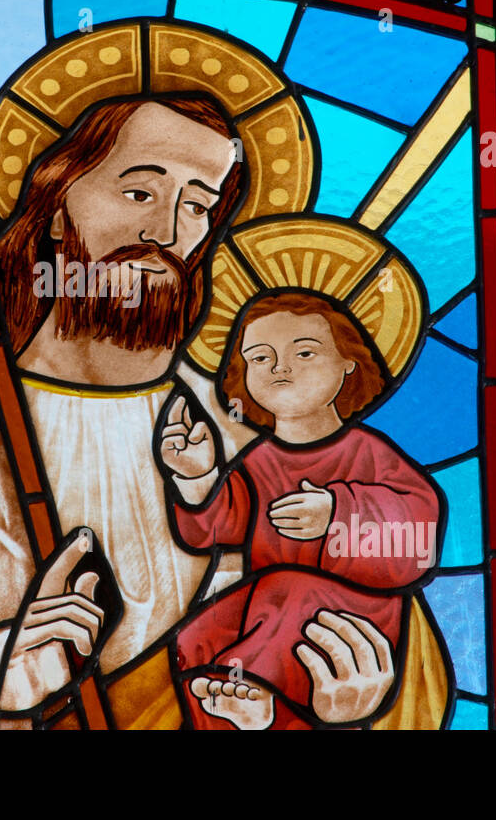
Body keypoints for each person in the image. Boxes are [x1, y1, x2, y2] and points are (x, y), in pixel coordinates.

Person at [0, 95, 401, 728]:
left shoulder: (245, 440)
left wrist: (341, 706)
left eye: (197, 206)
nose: (168, 232)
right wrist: (3, 658)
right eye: (139, 193)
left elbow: (349, 607)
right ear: (57, 207)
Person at [159, 290, 444, 729]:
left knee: (291, 592)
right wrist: (197, 477)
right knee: (198, 633)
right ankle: (240, 716)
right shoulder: (257, 461)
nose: (279, 367)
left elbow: (416, 531)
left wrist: (339, 513)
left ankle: (256, 692)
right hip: (268, 607)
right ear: (241, 375)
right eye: (258, 357)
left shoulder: (368, 453)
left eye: (305, 352)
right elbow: (215, 528)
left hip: (351, 616)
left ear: (349, 362)